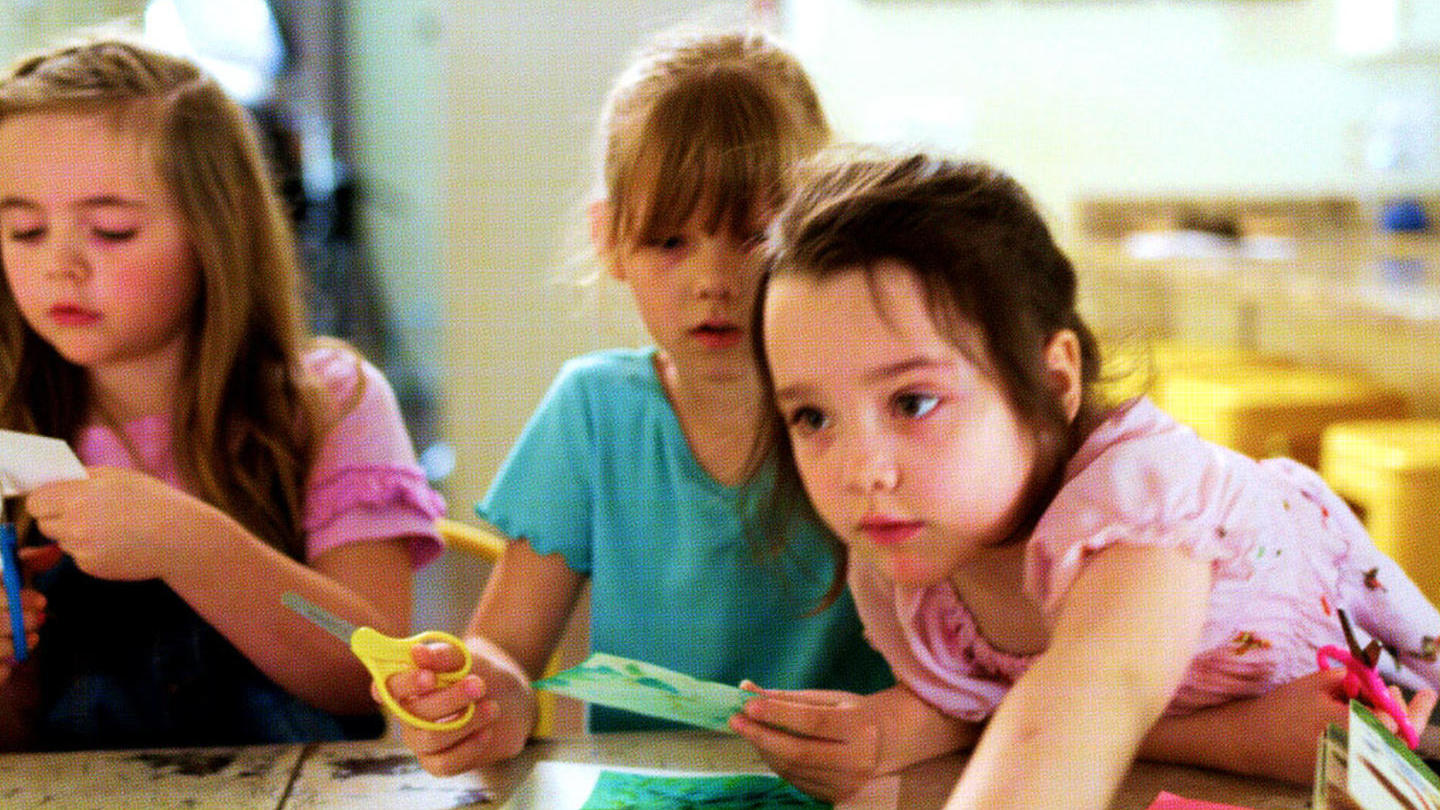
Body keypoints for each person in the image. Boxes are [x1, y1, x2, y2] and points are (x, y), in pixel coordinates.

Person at [741, 148, 1440, 808]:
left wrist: (1243, 741)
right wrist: (887, 730)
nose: (863, 471)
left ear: (1052, 382)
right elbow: (995, 703)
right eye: (812, 417)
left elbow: (1086, 697)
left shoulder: (1140, 509)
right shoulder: (914, 558)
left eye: (913, 402)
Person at [381, 27, 908, 780]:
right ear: (612, 240)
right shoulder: (593, 414)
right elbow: (507, 654)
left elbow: (965, 672)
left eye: (753, 238)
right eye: (670, 241)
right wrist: (480, 698)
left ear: (819, 231)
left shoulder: (868, 415)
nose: (713, 280)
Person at [0, 37, 444, 750]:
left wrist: (189, 542)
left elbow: (371, 666)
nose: (60, 265)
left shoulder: (329, 403)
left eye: (112, 230)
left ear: (217, 225)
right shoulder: (7, 431)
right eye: (24, 229)